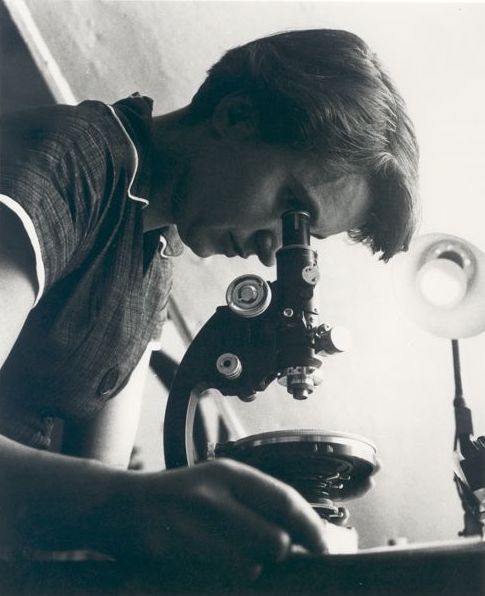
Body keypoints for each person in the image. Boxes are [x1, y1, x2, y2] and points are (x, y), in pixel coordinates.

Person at [0, 29, 419, 581]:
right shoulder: (72, 161)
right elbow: (113, 501)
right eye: (290, 207)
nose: (275, 252)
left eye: (303, 236)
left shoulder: (155, 252)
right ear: (238, 116)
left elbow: (98, 478)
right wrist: (133, 507)